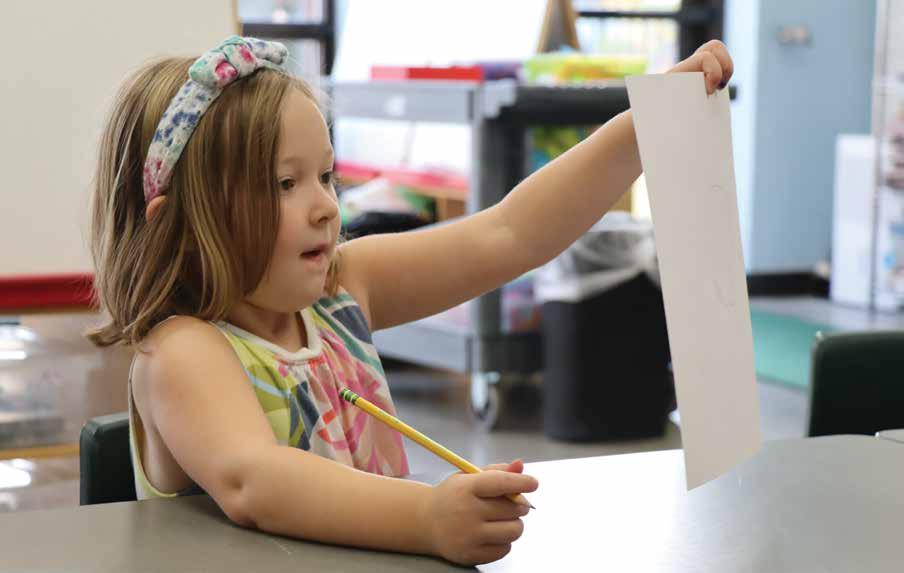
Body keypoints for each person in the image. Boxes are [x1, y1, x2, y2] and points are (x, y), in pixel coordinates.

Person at [88, 35, 733, 566]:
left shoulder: (340, 291)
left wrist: (643, 128)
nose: (325, 206)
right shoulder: (182, 350)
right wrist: (427, 517)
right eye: (284, 183)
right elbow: (256, 481)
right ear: (179, 227)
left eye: (326, 175)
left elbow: (509, 234)